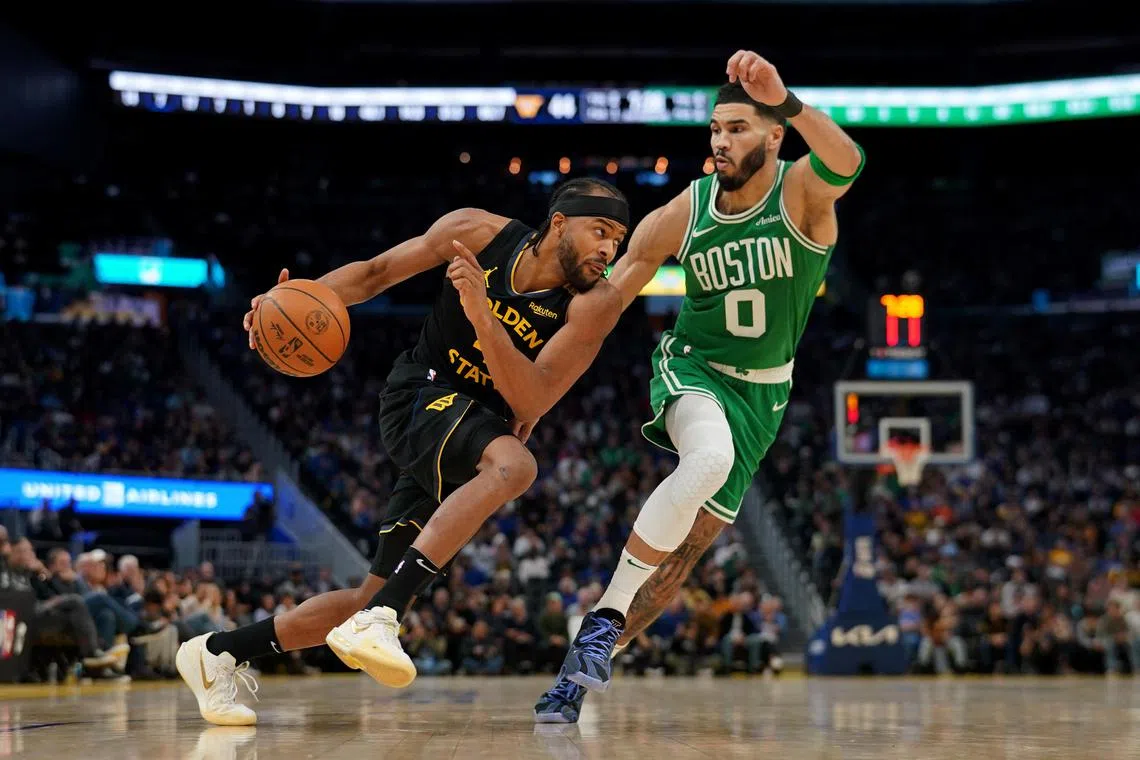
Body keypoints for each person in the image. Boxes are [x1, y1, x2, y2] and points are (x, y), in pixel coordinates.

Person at [178, 178, 629, 725]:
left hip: (474, 430)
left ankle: (218, 651)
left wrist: (482, 315)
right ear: (559, 222)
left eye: (619, 238)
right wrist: (292, 302)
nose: (610, 249)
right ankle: (385, 614)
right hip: (420, 393)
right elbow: (373, 275)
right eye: (600, 231)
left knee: (365, 600)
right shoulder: (476, 234)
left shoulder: (596, 304)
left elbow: (532, 395)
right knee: (516, 465)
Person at [536, 50, 865, 722]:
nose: (721, 140)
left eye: (739, 128)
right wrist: (537, 378)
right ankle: (601, 620)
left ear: (775, 136)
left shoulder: (800, 192)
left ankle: (581, 673)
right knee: (707, 460)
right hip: (695, 371)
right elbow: (608, 303)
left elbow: (848, 162)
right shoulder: (683, 212)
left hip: (764, 399)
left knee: (681, 563)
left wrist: (790, 98)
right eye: (716, 128)